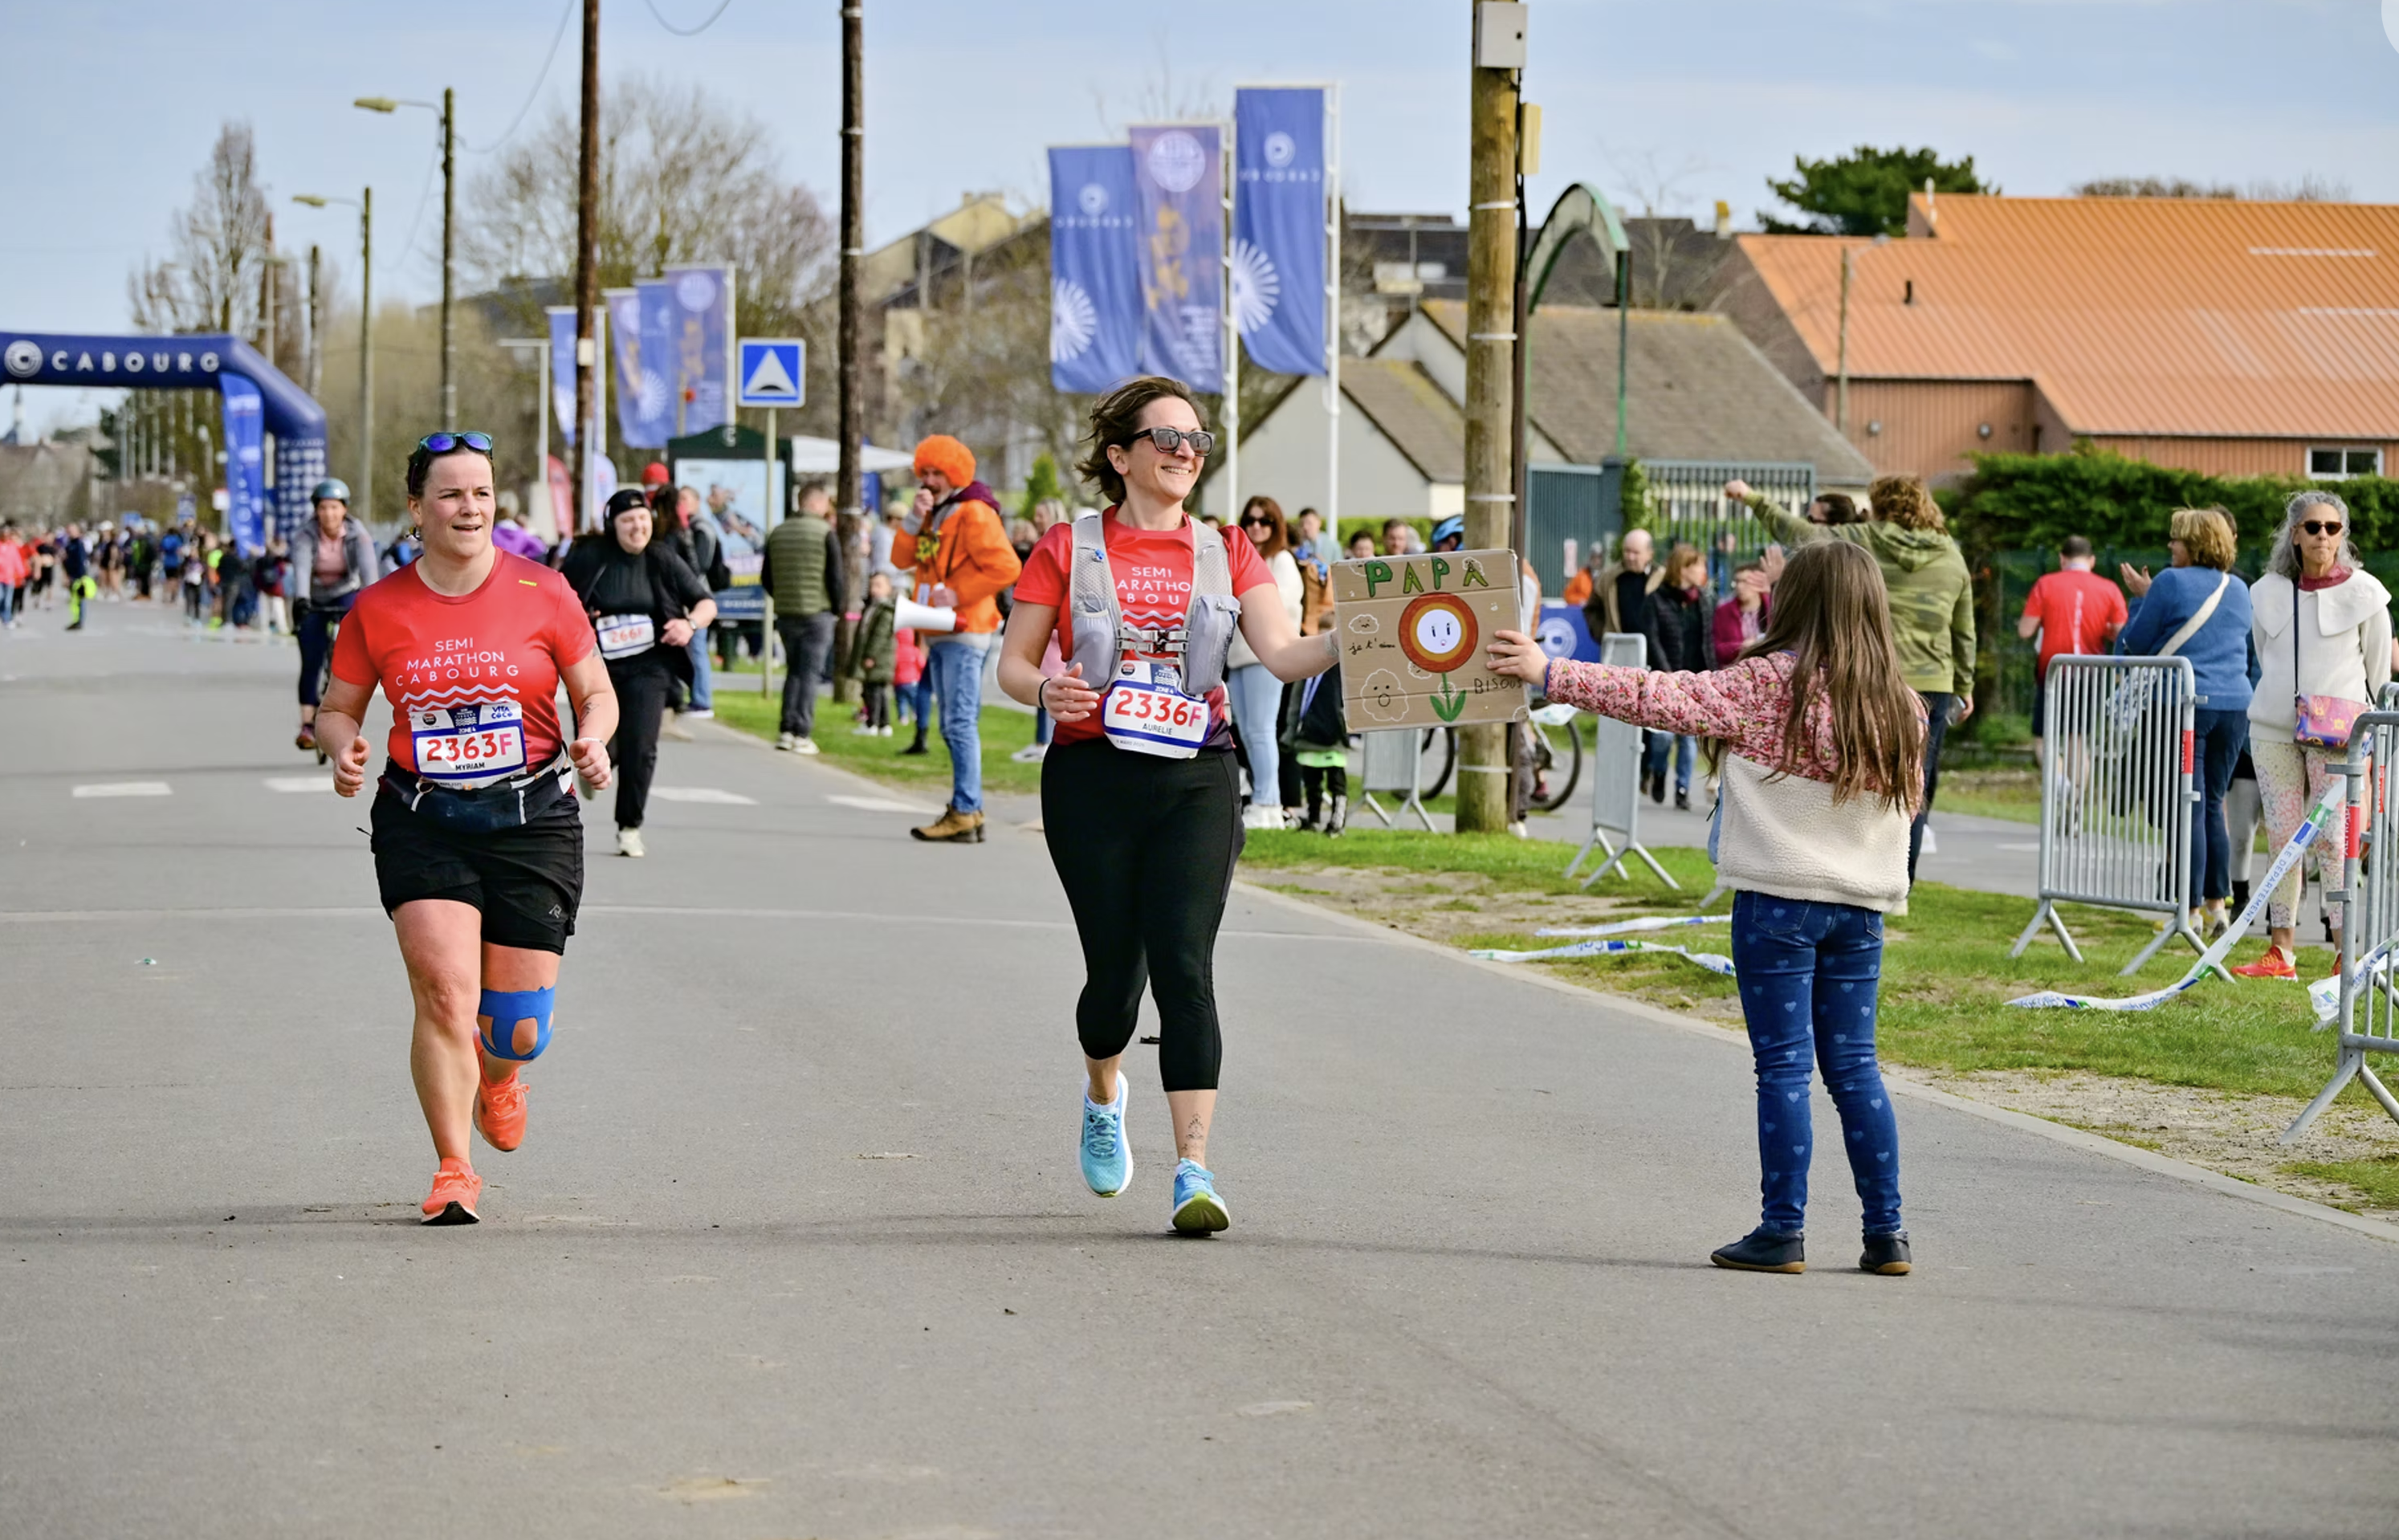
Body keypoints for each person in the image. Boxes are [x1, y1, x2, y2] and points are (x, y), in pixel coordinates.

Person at [1488, 539, 1923, 1277]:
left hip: (1779, 903)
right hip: (1861, 909)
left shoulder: (1767, 684)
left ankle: (1783, 1230)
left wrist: (1553, 671)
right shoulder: (1901, 704)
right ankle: (1888, 1234)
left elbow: (1662, 696)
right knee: (1855, 1068)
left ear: (1798, 603)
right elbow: (1907, 805)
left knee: (1783, 1068)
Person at [1000, 376, 1338, 1234]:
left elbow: (1286, 655)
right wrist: (1048, 692)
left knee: (1186, 968)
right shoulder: (1066, 546)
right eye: (1167, 438)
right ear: (1121, 456)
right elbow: (1012, 662)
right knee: (1115, 980)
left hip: (1199, 775)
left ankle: (1194, 1169)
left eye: (1197, 439)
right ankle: (1104, 1092)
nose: (1186, 452)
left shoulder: (1229, 550)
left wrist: (1376, 635)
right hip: (1093, 778)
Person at [313, 430, 618, 1224]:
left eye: (481, 492)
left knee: (515, 1032)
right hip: (424, 818)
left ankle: (501, 1076)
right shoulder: (377, 609)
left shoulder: (545, 591)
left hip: (532, 817)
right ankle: (454, 1167)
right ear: (417, 509)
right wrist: (344, 749)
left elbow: (597, 691)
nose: (469, 507)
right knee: (445, 994)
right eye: (450, 493)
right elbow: (339, 709)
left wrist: (593, 737)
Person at [1731, 475, 1974, 891]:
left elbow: (1800, 533)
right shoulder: (1951, 554)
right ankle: (1902, 881)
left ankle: (1856, 866)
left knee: (1860, 773)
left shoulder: (1866, 538)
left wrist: (1751, 497)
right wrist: (1965, 684)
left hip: (1878, 675)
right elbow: (1963, 626)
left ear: (1880, 506)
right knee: (1914, 782)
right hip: (1934, 680)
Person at [2232, 490, 2390, 980]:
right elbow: (2265, 652)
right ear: (2295, 535)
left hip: (2339, 733)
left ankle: (2347, 951)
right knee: (2281, 837)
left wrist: (2375, 740)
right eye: (2313, 527)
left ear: (2343, 535)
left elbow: (2379, 668)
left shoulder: (2366, 594)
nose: (2323, 536)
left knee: (2333, 840)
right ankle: (2281, 952)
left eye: (2332, 528)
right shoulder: (2268, 592)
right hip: (2274, 728)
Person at [2116, 507, 2252, 938]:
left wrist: (2142, 597)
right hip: (2234, 705)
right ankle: (2217, 903)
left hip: (2183, 703)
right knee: (2213, 802)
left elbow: (2136, 643)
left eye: (2176, 539)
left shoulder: (2170, 582)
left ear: (2193, 543)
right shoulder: (2239, 587)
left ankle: (2187, 907)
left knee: (2185, 803)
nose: (2170, 546)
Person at [560, 487, 717, 858]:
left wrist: (689, 626)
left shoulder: (662, 558)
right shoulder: (590, 557)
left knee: (642, 746)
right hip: (596, 666)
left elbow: (706, 603)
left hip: (651, 665)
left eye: (643, 520)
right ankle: (595, 761)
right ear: (612, 525)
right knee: (604, 741)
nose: (637, 528)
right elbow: (557, 600)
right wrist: (581, 618)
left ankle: (629, 827)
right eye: (628, 521)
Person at [891, 434, 1021, 842]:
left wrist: (959, 593)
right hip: (942, 628)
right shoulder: (936, 513)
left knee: (959, 723)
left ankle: (966, 810)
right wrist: (913, 520)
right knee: (953, 724)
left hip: (966, 628)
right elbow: (901, 559)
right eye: (924, 472)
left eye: (937, 473)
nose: (929, 480)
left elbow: (1006, 567)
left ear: (954, 474)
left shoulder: (974, 512)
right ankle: (968, 810)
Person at [1227, 495, 1305, 829]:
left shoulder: (1282, 560)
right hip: (1239, 656)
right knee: (1246, 731)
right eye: (1250, 520)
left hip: (1268, 656)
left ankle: (1269, 802)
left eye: (1265, 521)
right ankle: (1263, 798)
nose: (1256, 527)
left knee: (1261, 731)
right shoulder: (1244, 560)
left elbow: (1276, 605)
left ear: (1276, 526)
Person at [291, 479, 382, 752]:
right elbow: (301, 569)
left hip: (345, 591)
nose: (329, 514)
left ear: (344, 510)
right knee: (311, 657)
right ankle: (308, 724)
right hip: (314, 595)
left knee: (353, 646)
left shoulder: (359, 535)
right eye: (323, 508)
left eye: (334, 507)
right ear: (316, 511)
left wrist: (373, 603)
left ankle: (346, 714)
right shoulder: (304, 536)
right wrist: (302, 599)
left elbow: (369, 574)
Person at [2018, 535, 2126, 755]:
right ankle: (2075, 788)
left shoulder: (2045, 584)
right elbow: (2122, 634)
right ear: (2092, 560)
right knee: (2077, 738)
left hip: (2052, 670)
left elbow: (2025, 630)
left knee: (2044, 736)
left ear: (2062, 559)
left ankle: (2057, 785)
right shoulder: (2110, 589)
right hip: (2090, 672)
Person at [762, 482, 847, 755]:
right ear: (817, 503)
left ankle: (786, 730)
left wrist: (782, 599)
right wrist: (837, 608)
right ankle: (802, 732)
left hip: (787, 614)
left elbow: (767, 577)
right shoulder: (825, 533)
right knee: (809, 674)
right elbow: (835, 577)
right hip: (817, 614)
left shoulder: (778, 532)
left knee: (793, 672)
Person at [1643, 541, 1713, 808]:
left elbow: (1707, 641)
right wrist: (1666, 671)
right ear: (1683, 569)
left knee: (1689, 739)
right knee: (1662, 737)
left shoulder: (1703, 601)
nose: (1702, 571)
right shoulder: (1657, 600)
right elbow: (1652, 639)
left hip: (1695, 678)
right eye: (1698, 566)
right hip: (1668, 677)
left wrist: (1711, 675)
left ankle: (1682, 789)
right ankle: (1659, 771)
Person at [660, 485, 722, 731]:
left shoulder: (701, 529)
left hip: (696, 598)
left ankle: (702, 699)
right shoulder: (681, 529)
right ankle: (693, 696)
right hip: (683, 599)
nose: (681, 504)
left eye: (685, 499)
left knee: (697, 650)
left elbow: (699, 566)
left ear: (696, 502)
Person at [847, 571, 898, 735]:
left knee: (874, 691)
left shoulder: (886, 610)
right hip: (874, 656)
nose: (874, 589)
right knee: (875, 690)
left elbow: (880, 635)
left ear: (889, 588)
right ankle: (883, 724)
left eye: (879, 585)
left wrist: (871, 655)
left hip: (879, 658)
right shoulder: (872, 607)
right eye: (872, 585)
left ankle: (873, 723)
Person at [1713, 559, 1770, 666]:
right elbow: (1718, 650)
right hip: (1735, 670)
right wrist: (1742, 646)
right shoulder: (1723, 611)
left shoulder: (1772, 608)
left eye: (1745, 581)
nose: (1739, 586)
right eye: (1737, 581)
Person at [894, 617, 931, 752]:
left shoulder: (896, 651)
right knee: (914, 699)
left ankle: (903, 717)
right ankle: (916, 715)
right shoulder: (914, 651)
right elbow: (921, 664)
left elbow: (894, 666)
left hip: (899, 682)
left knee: (901, 701)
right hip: (912, 681)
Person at [59, 523, 94, 630]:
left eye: (73, 530)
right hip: (71, 575)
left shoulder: (79, 544)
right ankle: (76, 620)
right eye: (69, 530)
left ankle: (80, 621)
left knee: (80, 599)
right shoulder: (69, 544)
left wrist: (82, 577)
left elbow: (81, 561)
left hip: (79, 576)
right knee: (74, 600)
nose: (71, 532)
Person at [0, 524, 25, 630]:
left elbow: (17, 560)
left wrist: (21, 573)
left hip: (9, 577)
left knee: (8, 601)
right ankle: (4, 616)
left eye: (7, 534)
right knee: (1, 597)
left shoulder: (12, 546)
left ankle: (7, 619)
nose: (5, 536)